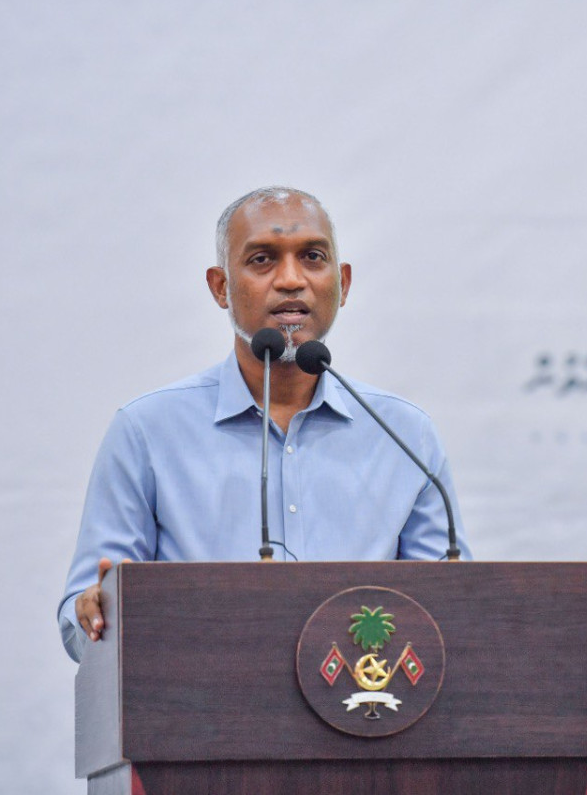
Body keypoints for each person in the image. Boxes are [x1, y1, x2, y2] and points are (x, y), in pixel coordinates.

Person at [58, 187, 469, 661]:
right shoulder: (147, 431)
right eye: (262, 260)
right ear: (220, 287)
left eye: (313, 257)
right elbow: (81, 617)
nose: (291, 280)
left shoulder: (404, 435)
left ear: (343, 282)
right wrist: (96, 612)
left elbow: (453, 614)